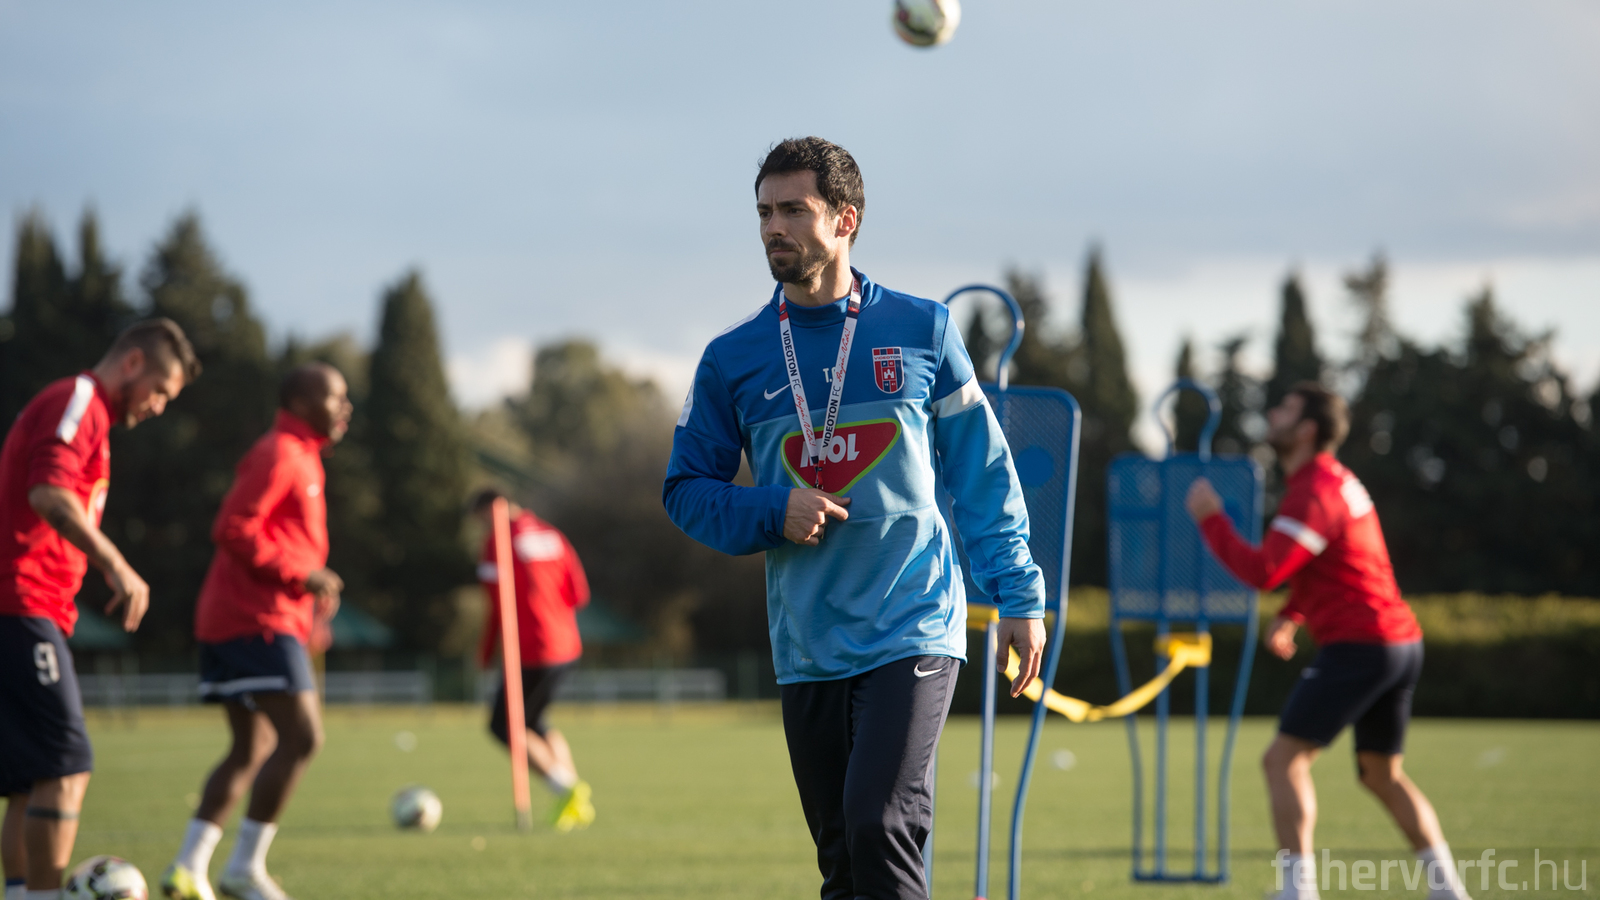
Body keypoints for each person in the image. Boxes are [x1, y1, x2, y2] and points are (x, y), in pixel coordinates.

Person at [662, 136, 1046, 900]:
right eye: (764, 212)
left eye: (793, 210)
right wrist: (772, 508)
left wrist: (1018, 596)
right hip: (808, 643)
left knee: (880, 823)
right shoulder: (732, 358)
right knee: (843, 860)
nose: (774, 227)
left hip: (914, 623)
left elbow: (982, 476)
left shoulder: (924, 330)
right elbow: (685, 490)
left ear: (846, 220)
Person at [1185, 382, 1471, 900]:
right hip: (1398, 643)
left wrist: (1211, 520)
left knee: (1283, 761)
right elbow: (1341, 562)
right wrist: (1293, 613)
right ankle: (1448, 891)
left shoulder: (1313, 489)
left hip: (1362, 645)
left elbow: (1265, 571)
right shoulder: (1335, 481)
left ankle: (1299, 893)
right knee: (1381, 774)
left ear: (1307, 429)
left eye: (1286, 409)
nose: (1274, 414)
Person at [0, 319, 200, 900]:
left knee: (30, 780)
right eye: (160, 390)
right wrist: (115, 562)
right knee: (66, 765)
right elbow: (48, 493)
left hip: (29, 608)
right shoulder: (79, 400)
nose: (158, 406)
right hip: (21, 604)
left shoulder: (92, 418)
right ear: (132, 363)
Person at [160, 363, 351, 900]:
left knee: (252, 747)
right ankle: (244, 868)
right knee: (303, 737)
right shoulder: (280, 452)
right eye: (335, 397)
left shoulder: (305, 456)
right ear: (301, 403)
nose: (345, 407)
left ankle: (187, 868)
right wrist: (302, 575)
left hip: (258, 618)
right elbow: (232, 527)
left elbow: (283, 540)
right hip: (253, 619)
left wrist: (310, 608)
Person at [470, 488, 593, 832]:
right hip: (566, 646)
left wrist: (485, 652)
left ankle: (565, 789)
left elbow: (496, 603)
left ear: (491, 509)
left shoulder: (497, 543)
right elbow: (579, 594)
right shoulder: (552, 534)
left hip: (531, 648)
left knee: (503, 725)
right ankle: (574, 793)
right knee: (534, 721)